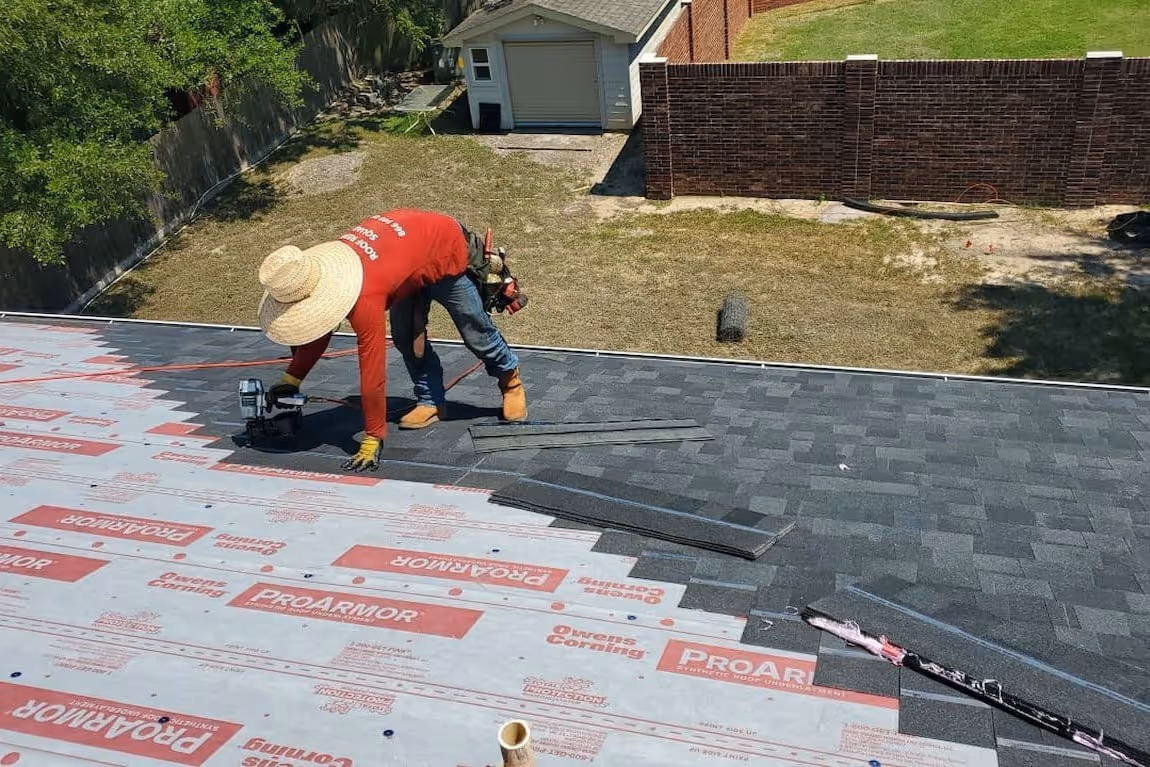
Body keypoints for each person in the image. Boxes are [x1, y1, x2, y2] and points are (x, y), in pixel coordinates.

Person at [255, 208, 527, 472]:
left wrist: (373, 436)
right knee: (406, 338)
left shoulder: (364, 295)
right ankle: (430, 400)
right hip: (403, 258)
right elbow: (319, 331)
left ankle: (510, 382)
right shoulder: (327, 275)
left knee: (475, 331)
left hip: (443, 248)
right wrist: (291, 380)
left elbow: (372, 367)